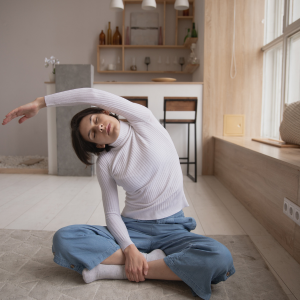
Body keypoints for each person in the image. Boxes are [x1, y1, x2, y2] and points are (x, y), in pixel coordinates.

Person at [2, 88, 235, 300]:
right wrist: (129, 247)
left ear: (107, 112)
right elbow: (112, 213)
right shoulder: (106, 162)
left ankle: (119, 270)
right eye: (93, 134)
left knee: (220, 259)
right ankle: (158, 264)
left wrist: (41, 102)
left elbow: (92, 94)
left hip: (173, 229)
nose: (99, 127)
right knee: (64, 239)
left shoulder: (143, 121)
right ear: (99, 145)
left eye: (96, 120)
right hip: (132, 229)